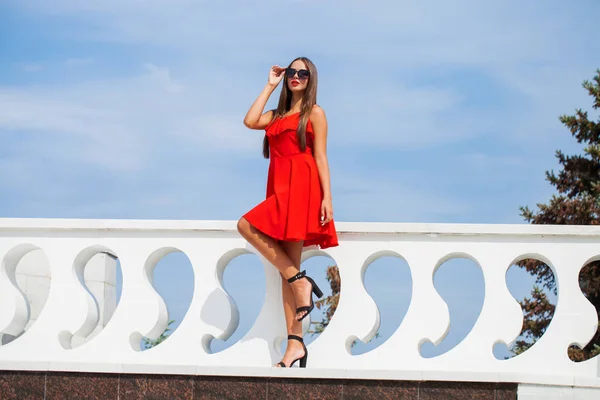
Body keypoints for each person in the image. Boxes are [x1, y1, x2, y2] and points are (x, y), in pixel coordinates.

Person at [237, 56, 339, 368]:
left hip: (302, 184)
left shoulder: (315, 113)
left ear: (311, 80)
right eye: (292, 73)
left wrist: (328, 200)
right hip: (279, 186)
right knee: (288, 271)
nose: (295, 77)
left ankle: (299, 282)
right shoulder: (277, 115)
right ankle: (295, 343)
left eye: (302, 74)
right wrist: (269, 84)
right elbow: (250, 120)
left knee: (245, 225)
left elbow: (320, 156)